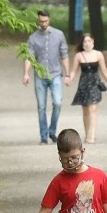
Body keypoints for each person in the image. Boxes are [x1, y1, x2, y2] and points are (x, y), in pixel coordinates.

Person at [23, 10, 70, 144]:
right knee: (41, 107)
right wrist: (26, 73)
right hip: (40, 75)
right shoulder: (33, 38)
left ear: (49, 20)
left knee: (57, 103)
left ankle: (52, 131)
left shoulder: (59, 35)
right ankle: (44, 135)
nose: (43, 23)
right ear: (38, 21)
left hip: (55, 73)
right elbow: (29, 57)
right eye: (41, 21)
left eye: (45, 21)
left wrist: (68, 74)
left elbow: (64, 54)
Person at [66, 33, 107, 144]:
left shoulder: (98, 55)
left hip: (95, 83)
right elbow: (74, 70)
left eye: (89, 41)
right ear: (82, 43)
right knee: (86, 111)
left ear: (93, 42)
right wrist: (70, 78)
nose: (87, 43)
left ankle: (92, 135)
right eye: (85, 41)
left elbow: (104, 70)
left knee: (93, 109)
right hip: (84, 84)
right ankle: (87, 132)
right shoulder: (79, 56)